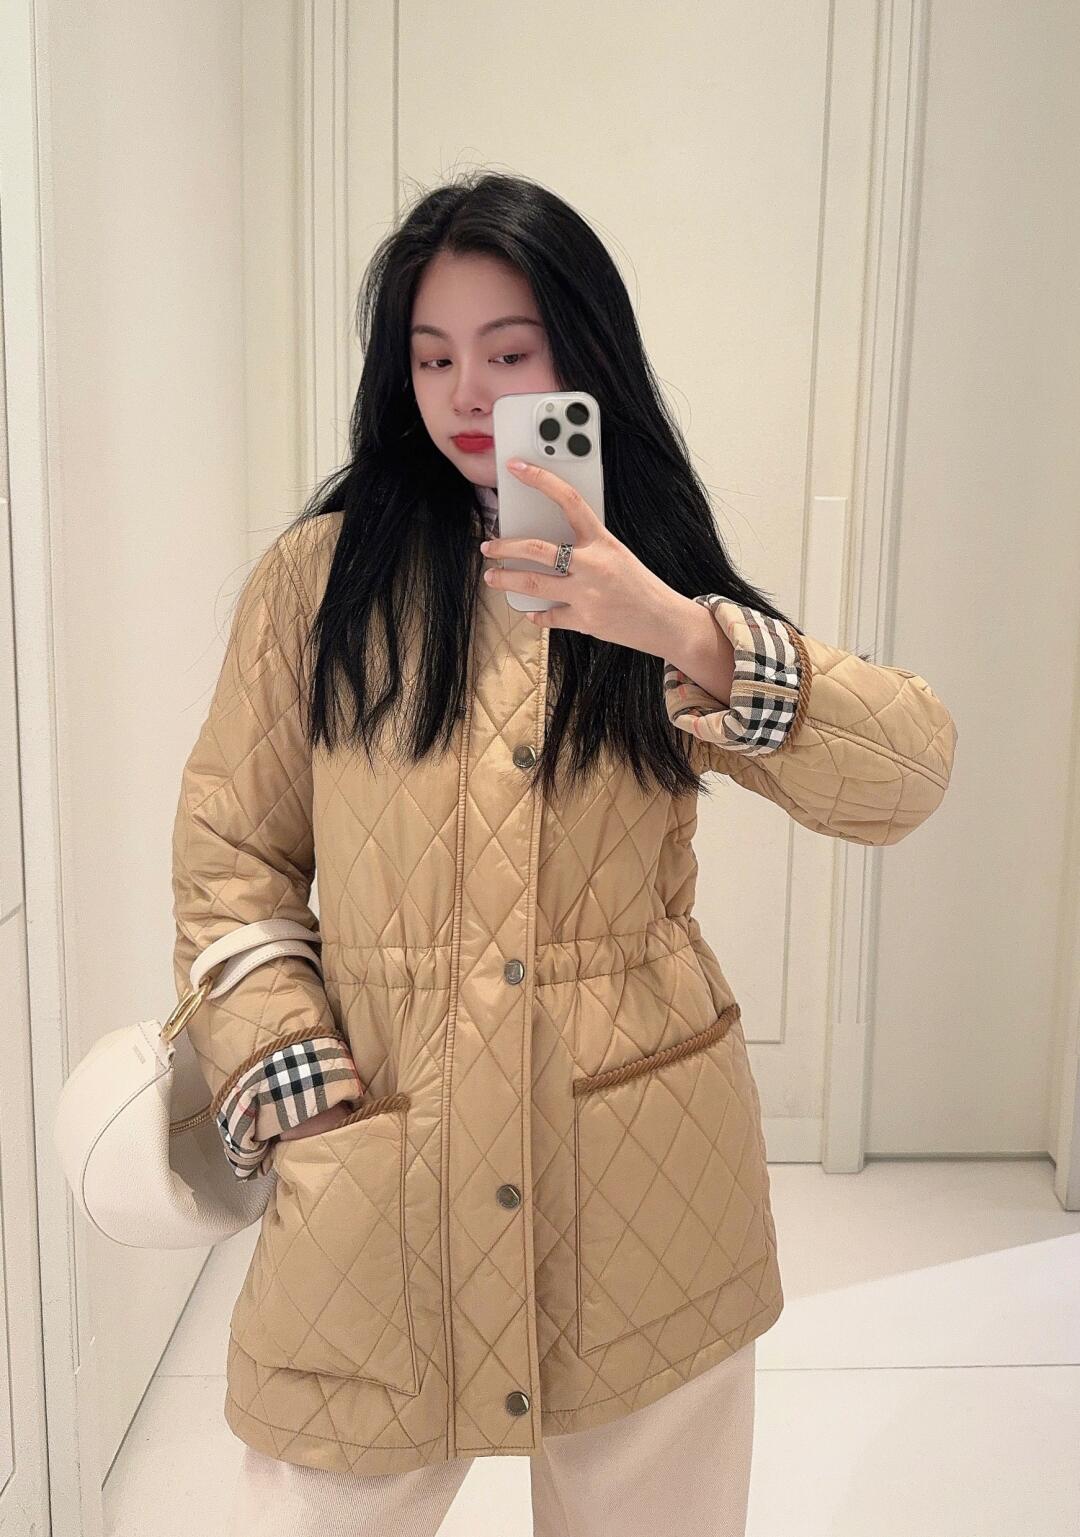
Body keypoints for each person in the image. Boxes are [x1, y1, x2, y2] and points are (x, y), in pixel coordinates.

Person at [170, 172, 957, 1535]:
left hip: (642, 1177)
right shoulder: (318, 580)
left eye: (508, 352)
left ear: (582, 359)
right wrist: (296, 1089)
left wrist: (678, 627)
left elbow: (908, 778)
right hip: (382, 1159)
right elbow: (230, 856)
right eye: (432, 357)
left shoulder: (653, 584)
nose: (466, 393)